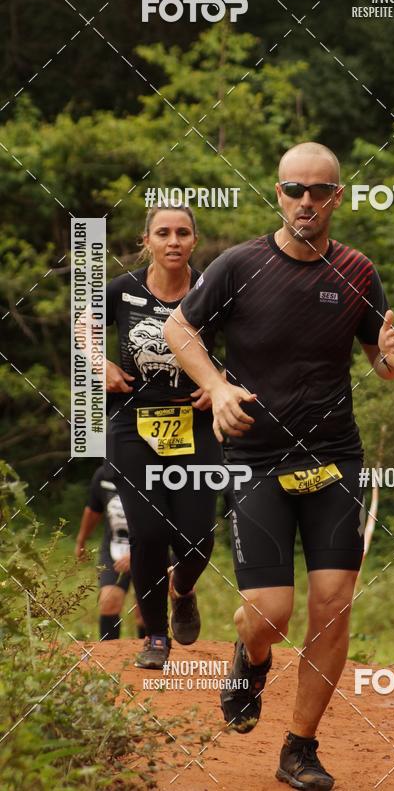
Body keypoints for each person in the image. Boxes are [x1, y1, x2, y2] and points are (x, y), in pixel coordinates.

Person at [164, 143, 394, 789]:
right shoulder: (238, 265)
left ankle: (299, 747)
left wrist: (391, 359)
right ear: (278, 193)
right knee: (270, 611)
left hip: (334, 456)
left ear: (338, 197)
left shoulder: (359, 271)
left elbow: (378, 361)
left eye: (320, 190)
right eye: (294, 188)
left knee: (333, 604)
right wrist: (217, 388)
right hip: (255, 457)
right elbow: (179, 330)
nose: (307, 200)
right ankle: (250, 657)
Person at [104, 204, 221, 669]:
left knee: (197, 540)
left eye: (183, 233)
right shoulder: (121, 290)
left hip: (195, 424)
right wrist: (99, 363)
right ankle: (155, 636)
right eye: (163, 233)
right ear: (146, 240)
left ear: (194, 241)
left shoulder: (213, 290)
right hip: (134, 425)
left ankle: (183, 588)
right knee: (148, 533)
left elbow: (251, 344)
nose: (173, 241)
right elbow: (82, 327)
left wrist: (223, 382)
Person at [75, 463, 145, 641]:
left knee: (144, 612)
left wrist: (135, 554)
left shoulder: (153, 472)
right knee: (108, 601)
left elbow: (164, 518)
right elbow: (93, 510)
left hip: (148, 548)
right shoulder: (104, 474)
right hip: (113, 547)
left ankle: (149, 655)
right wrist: (81, 540)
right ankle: (106, 661)